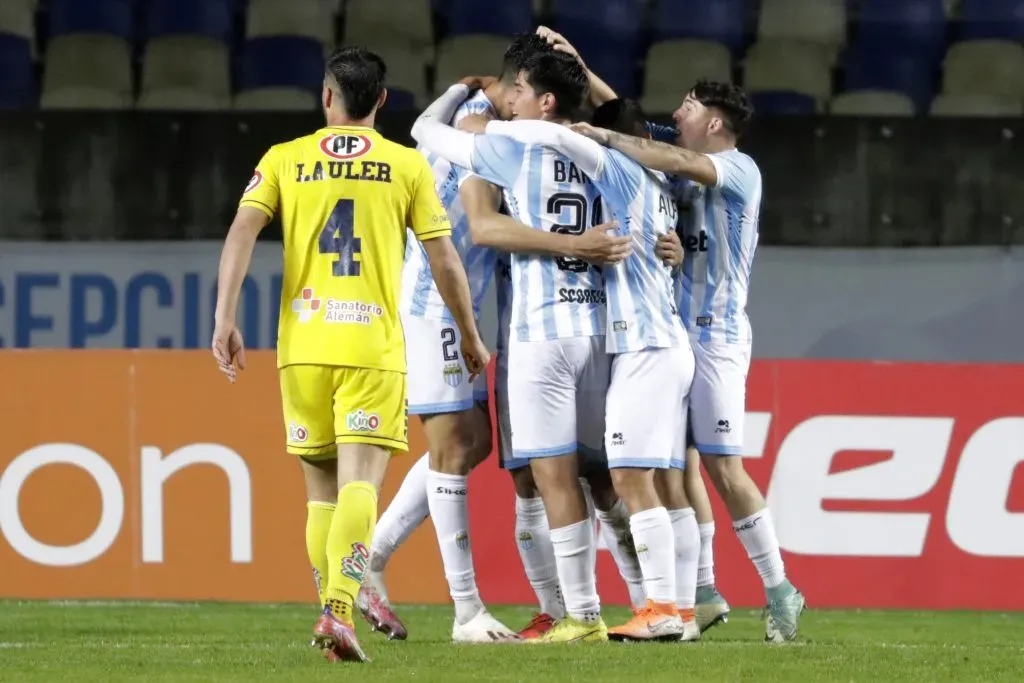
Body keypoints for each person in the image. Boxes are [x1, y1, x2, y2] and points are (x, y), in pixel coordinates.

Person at [210, 46, 488, 663]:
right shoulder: (406, 165)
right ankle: (338, 611)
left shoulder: (284, 158)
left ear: (327, 96)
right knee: (361, 482)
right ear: (382, 101)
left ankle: (333, 611)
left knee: (321, 494)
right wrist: (470, 335)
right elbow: (444, 257)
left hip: (303, 347)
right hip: (370, 346)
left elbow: (242, 230)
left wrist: (224, 318)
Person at [358, 34, 634, 642]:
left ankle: (372, 556)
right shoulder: (485, 135)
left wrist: (477, 83)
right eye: (525, 91)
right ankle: (462, 610)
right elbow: (479, 221)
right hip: (433, 304)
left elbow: (616, 120)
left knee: (472, 442)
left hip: (457, 305)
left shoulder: (479, 119)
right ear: (517, 93)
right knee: (455, 448)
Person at [572, 80, 807, 643]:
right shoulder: (679, 153)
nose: (676, 114)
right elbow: (626, 119)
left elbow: (651, 149)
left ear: (716, 123)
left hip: (717, 338)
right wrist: (579, 69)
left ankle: (780, 589)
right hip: (674, 332)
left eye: (689, 106)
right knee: (675, 469)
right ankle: (699, 594)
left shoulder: (739, 169)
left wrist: (601, 138)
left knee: (725, 469)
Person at [476, 97, 702, 642]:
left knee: (624, 481)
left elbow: (564, 141)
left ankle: (658, 608)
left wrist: (497, 125)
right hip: (635, 346)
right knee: (634, 480)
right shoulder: (656, 186)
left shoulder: (617, 171)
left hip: (638, 348)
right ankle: (670, 609)